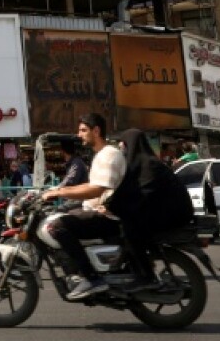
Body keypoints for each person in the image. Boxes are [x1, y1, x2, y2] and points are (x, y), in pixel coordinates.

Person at [42, 113, 126, 300]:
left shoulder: (109, 154)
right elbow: (90, 185)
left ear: (96, 131)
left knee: (57, 226)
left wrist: (60, 193)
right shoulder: (100, 155)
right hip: (97, 210)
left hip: (108, 216)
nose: (79, 135)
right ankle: (76, 272)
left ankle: (91, 278)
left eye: (83, 130)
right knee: (60, 217)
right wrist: (58, 189)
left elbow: (96, 190)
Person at [105, 129, 196, 285]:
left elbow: (142, 192)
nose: (121, 149)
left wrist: (113, 206)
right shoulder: (141, 163)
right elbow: (129, 190)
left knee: (130, 228)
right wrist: (110, 203)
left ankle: (145, 276)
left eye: (123, 145)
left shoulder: (149, 165)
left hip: (175, 213)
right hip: (165, 210)